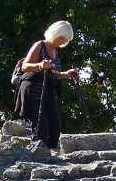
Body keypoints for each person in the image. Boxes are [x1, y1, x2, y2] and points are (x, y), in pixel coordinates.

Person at [15, 20, 79, 151]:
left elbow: (52, 74)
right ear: (55, 33)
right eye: (61, 38)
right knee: (41, 129)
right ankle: (37, 158)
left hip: (48, 93)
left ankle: (49, 160)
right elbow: (25, 66)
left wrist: (66, 74)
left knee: (55, 129)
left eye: (66, 40)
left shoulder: (55, 51)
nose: (62, 42)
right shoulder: (40, 45)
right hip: (33, 91)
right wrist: (40, 65)